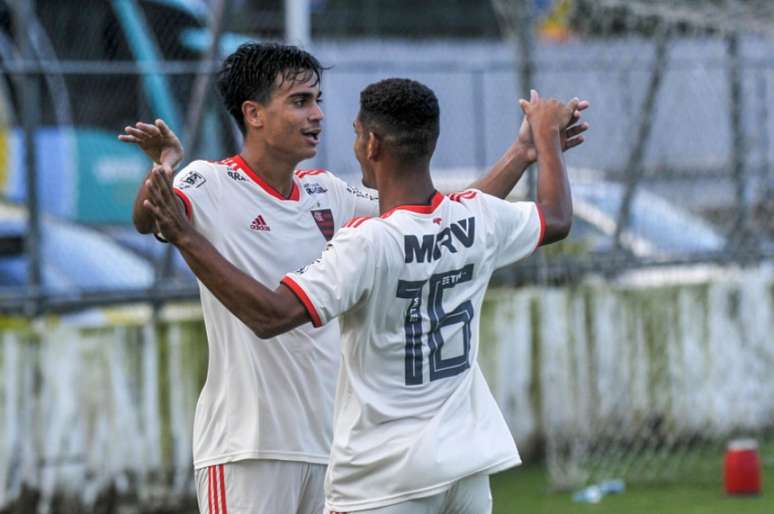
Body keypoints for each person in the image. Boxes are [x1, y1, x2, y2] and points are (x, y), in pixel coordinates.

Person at [120, 42, 588, 514]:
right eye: (301, 101)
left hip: (331, 445)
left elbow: (437, 220)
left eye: (318, 99)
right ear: (253, 113)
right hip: (250, 446)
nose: (318, 114)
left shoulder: (328, 192)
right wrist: (162, 168)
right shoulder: (209, 181)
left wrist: (521, 153)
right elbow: (150, 218)